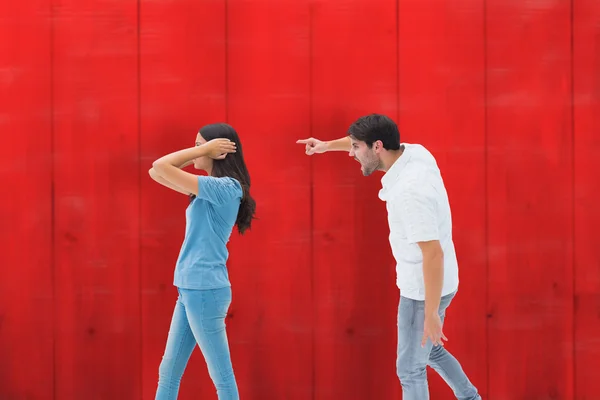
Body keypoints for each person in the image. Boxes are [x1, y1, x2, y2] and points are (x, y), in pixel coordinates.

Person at [297, 114, 480, 400]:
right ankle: (471, 397)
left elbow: (432, 253)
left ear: (378, 147)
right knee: (430, 351)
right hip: (444, 282)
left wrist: (431, 313)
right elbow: (364, 137)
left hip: (421, 290)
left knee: (409, 369)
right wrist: (325, 146)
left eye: (356, 148)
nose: (352, 154)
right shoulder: (415, 153)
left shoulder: (410, 193)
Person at [149, 123, 256, 400]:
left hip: (205, 290)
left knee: (221, 377)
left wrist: (206, 149)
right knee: (168, 372)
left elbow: (160, 165)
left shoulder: (226, 187)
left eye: (200, 146)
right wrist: (202, 150)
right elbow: (155, 173)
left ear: (218, 151)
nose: (196, 151)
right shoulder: (207, 189)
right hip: (190, 288)